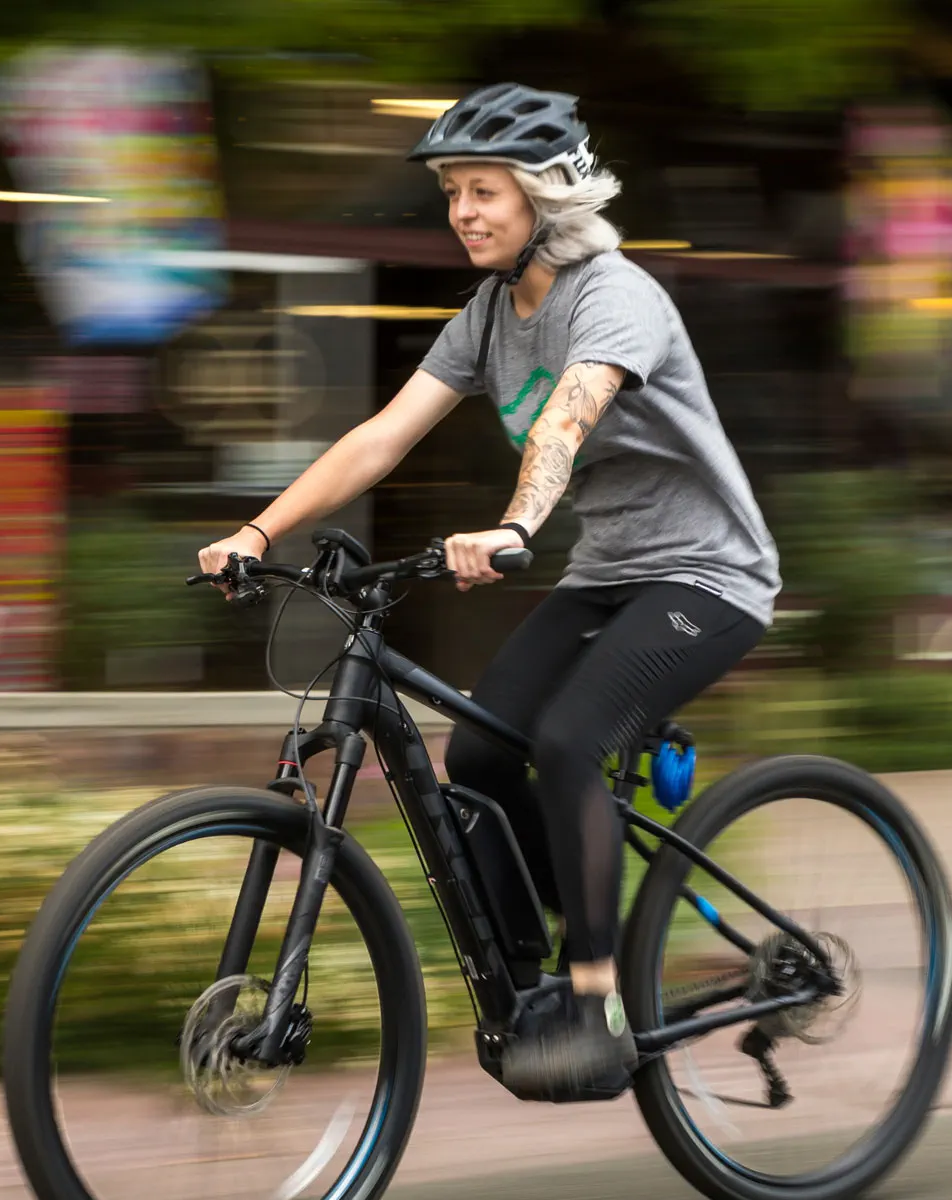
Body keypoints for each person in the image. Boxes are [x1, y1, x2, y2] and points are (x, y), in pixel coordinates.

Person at [197, 84, 780, 1100]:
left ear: (543, 196)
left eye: (484, 191)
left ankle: (591, 1007)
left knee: (567, 738)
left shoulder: (614, 295)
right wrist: (257, 531)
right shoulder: (487, 314)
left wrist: (515, 527)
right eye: (454, 193)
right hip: (607, 574)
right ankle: (572, 950)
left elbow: (565, 419)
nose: (463, 211)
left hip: (708, 575)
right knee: (476, 752)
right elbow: (382, 436)